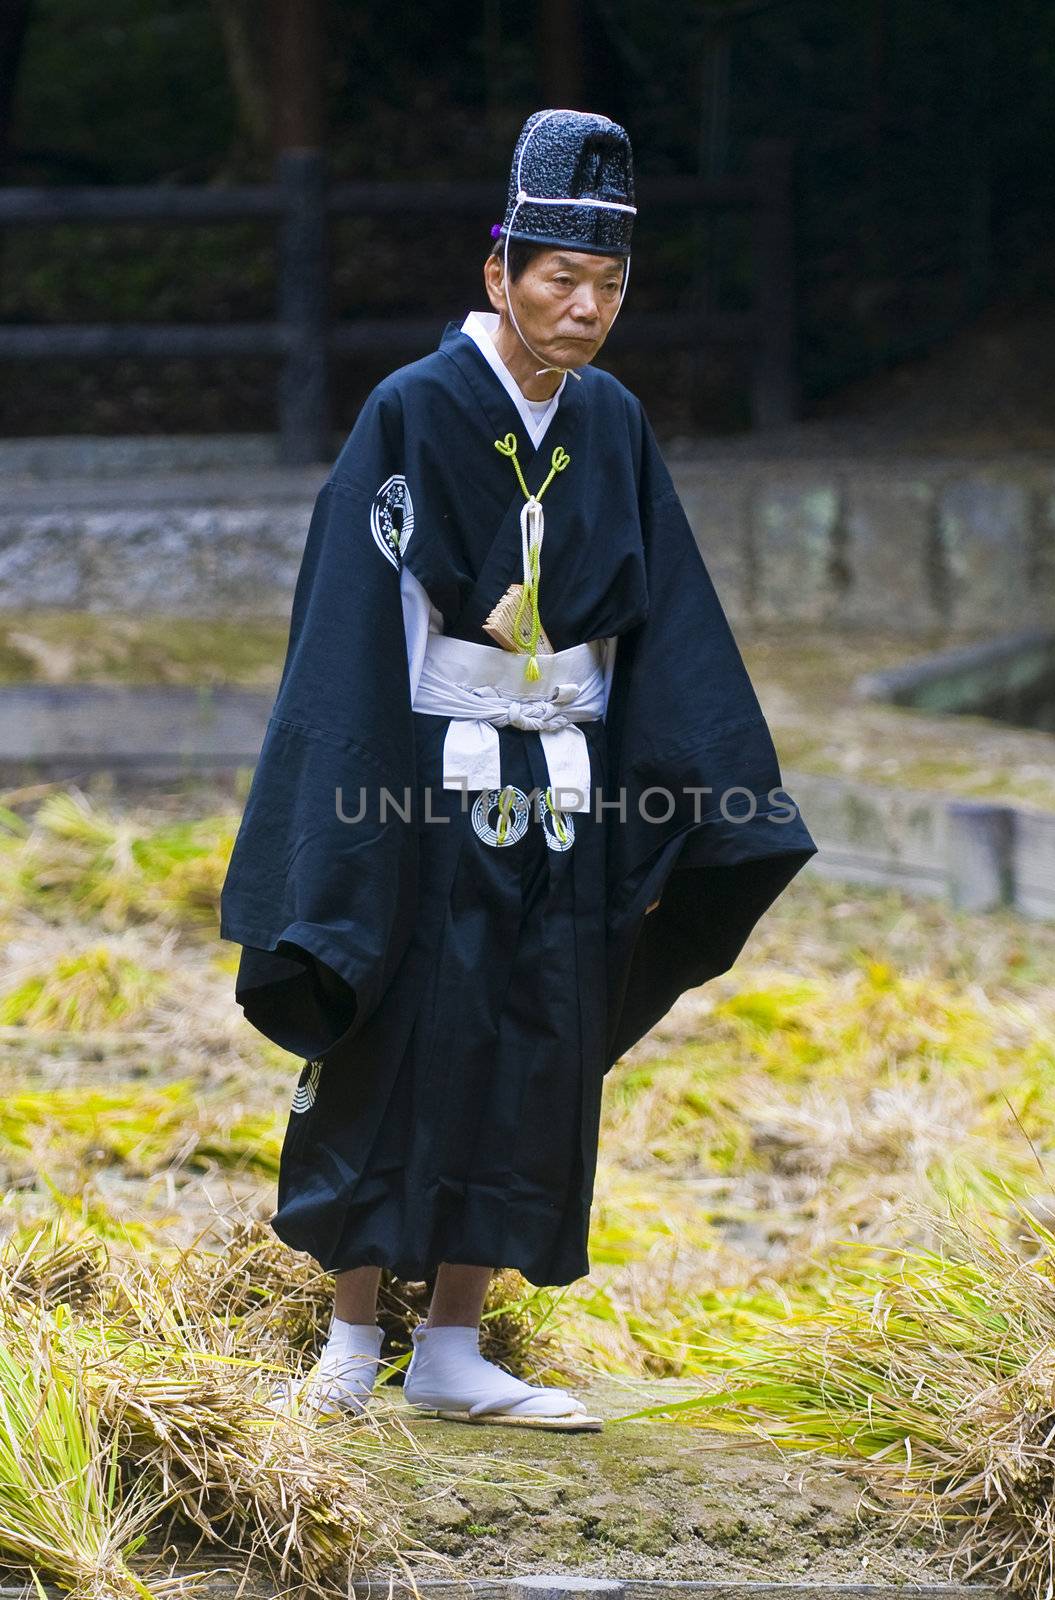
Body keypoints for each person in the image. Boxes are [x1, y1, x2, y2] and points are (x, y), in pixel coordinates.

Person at [219, 108, 818, 1432]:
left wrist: (692, 812)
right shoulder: (414, 412)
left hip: (564, 787)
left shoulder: (609, 422)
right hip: (428, 777)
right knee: (399, 1034)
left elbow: (666, 627)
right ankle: (349, 1336)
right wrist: (352, 829)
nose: (587, 308)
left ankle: (454, 1347)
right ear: (499, 271)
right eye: (562, 278)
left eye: (610, 285)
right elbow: (350, 633)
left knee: (535, 1047)